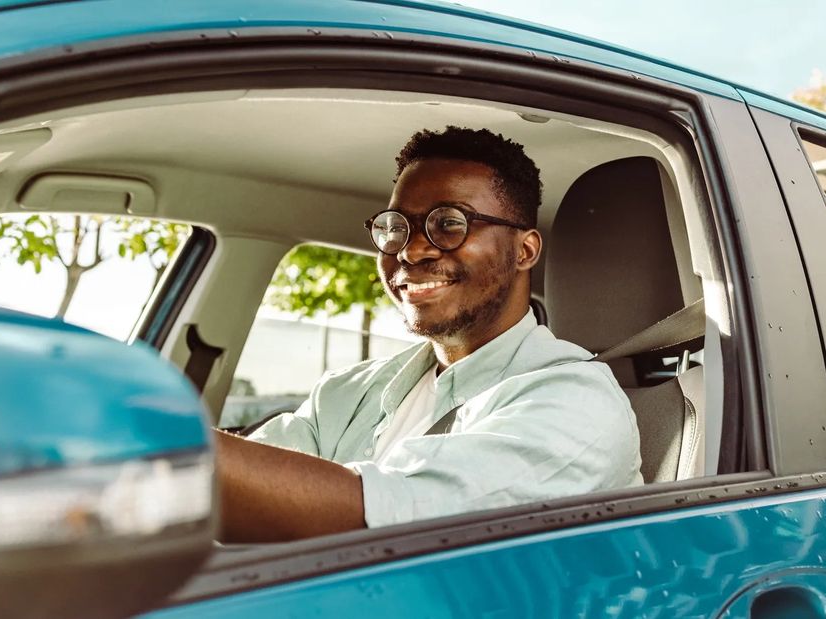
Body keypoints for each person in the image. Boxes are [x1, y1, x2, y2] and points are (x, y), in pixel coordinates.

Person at [216, 126, 642, 542]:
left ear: (524, 251)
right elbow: (243, 489)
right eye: (396, 226)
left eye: (450, 223)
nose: (411, 249)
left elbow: (395, 526)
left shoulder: (577, 403)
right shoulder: (347, 392)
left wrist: (160, 449)